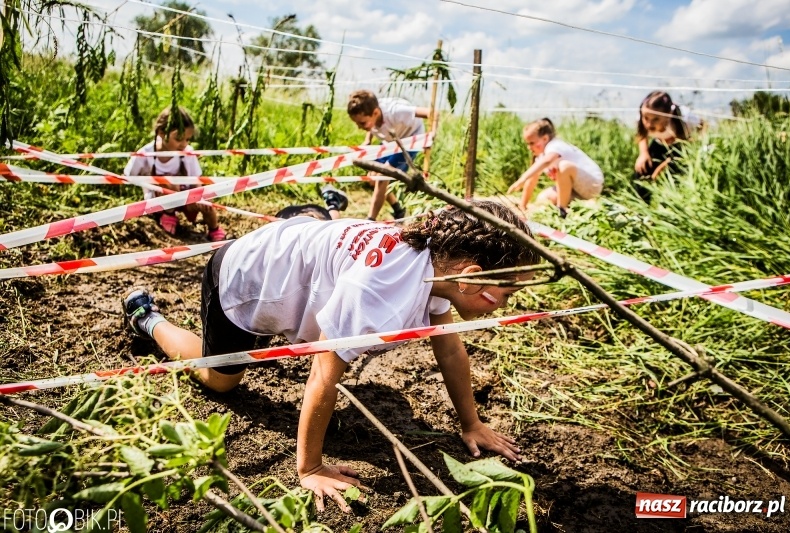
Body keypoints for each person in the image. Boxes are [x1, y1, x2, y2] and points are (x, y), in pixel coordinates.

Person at [121, 200, 539, 512]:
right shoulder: (379, 292)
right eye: (508, 292)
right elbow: (323, 373)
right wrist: (309, 468)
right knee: (222, 381)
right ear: (469, 278)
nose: (506, 303)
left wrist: (472, 423)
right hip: (242, 279)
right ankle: (147, 318)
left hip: (288, 254)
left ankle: (308, 216)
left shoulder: (433, 264)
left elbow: (447, 344)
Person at [124, 106, 226, 241]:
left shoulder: (187, 152)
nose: (184, 144)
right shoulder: (145, 154)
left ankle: (214, 229)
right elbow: (128, 176)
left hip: (185, 198)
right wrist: (151, 184)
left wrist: (202, 197)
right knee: (170, 184)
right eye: (179, 139)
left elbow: (196, 181)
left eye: (187, 139)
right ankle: (168, 215)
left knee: (205, 196)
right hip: (158, 201)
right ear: (161, 132)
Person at [346, 90, 432, 221]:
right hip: (391, 140)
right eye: (357, 123)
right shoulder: (373, 115)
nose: (359, 127)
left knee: (382, 177)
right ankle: (398, 209)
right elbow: (371, 124)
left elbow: (431, 112)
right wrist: (368, 140)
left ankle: (370, 220)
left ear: (375, 113)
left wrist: (431, 136)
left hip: (409, 141)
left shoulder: (396, 112)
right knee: (372, 178)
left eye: (362, 123)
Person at [507, 118, 604, 217]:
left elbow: (548, 161)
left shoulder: (555, 145)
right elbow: (532, 180)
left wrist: (522, 178)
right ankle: (576, 207)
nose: (529, 147)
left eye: (532, 143)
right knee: (543, 198)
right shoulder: (540, 157)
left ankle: (562, 210)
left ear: (545, 138)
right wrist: (523, 205)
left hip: (591, 185)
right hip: (574, 190)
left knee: (564, 166)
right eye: (527, 144)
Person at [633, 91, 703, 202]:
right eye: (646, 118)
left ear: (669, 114)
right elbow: (642, 135)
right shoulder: (643, 115)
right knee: (643, 168)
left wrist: (696, 141)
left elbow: (702, 126)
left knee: (673, 174)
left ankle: (673, 202)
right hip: (659, 144)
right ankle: (642, 204)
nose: (649, 124)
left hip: (681, 148)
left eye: (656, 119)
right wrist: (643, 154)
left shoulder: (685, 117)